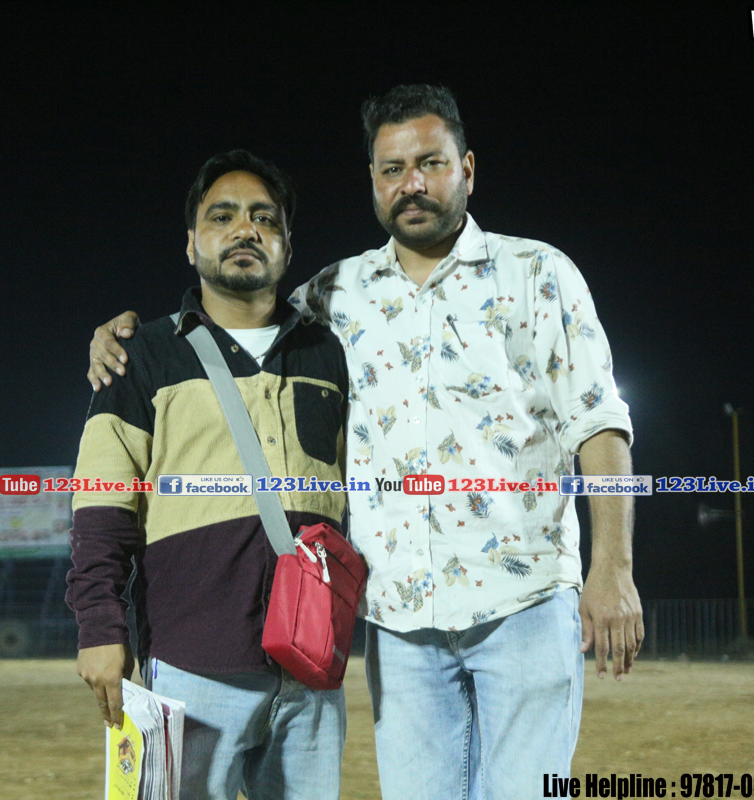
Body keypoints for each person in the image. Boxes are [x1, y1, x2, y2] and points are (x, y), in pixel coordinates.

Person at [87, 86, 643, 799]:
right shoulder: (333, 297)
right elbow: (239, 320)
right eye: (392, 169)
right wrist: (125, 336)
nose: (412, 183)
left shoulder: (538, 273)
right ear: (374, 182)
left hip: (526, 603)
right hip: (400, 625)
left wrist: (612, 569)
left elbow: (598, 423)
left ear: (467, 169)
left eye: (430, 163)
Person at [66, 150, 350, 800]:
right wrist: (101, 627)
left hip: (313, 670)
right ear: (192, 243)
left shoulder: (329, 354)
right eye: (222, 217)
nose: (245, 229)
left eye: (264, 218)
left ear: (286, 245)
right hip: (194, 668)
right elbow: (101, 505)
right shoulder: (140, 356)